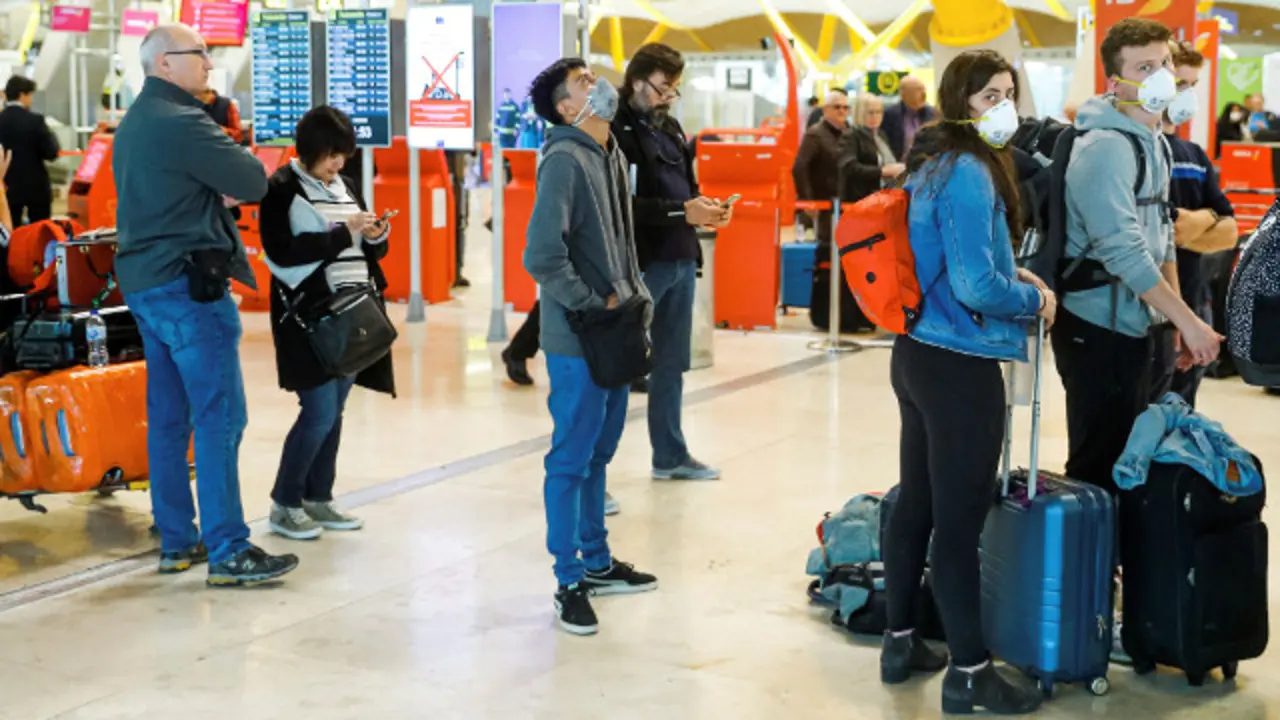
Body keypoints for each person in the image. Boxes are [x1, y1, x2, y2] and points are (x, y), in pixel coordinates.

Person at [881, 49, 1052, 716]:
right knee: (957, 525)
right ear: (960, 104)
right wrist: (1033, 301)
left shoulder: (930, 163)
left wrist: (1018, 280)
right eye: (988, 97)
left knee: (917, 502)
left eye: (1009, 93)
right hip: (959, 362)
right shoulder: (970, 173)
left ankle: (901, 642)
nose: (1003, 107)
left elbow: (956, 265)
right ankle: (971, 674)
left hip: (917, 351)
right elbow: (978, 284)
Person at [114, 23, 298, 586]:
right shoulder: (184, 122)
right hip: (189, 290)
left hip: (144, 285)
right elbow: (251, 179)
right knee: (220, 418)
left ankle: (177, 540)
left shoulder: (135, 122)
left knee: (169, 419)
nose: (210, 65)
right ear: (165, 62)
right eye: (201, 55)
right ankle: (229, 548)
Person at [1055, 18, 1221, 503]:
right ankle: (1089, 573)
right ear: (1115, 82)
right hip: (1095, 328)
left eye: (1164, 63)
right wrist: (1186, 322)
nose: (1161, 77)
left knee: (1133, 460)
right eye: (1144, 67)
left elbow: (1162, 236)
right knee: (1097, 464)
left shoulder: (1153, 139)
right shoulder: (1105, 147)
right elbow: (1122, 248)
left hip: (1136, 325)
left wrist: (1173, 323)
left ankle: (1118, 567)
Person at [523, 57, 660, 635]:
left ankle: (596, 559)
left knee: (600, 451)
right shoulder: (563, 159)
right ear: (566, 107)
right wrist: (590, 300)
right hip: (581, 334)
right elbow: (541, 255)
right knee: (571, 457)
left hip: (618, 325)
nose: (599, 84)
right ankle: (567, 577)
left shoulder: (609, 154)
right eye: (585, 82)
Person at [258, 105, 395, 540]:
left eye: (343, 156)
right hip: (310, 317)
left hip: (354, 312)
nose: (337, 165)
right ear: (310, 150)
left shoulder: (346, 186)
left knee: (333, 412)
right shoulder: (281, 188)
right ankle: (285, 503)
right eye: (331, 155)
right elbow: (282, 251)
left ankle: (319, 497)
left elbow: (366, 246)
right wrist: (344, 231)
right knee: (318, 411)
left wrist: (374, 234)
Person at [613, 43, 729, 482]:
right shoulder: (615, 132)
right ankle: (595, 471)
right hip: (642, 261)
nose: (668, 98)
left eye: (674, 90)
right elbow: (622, 204)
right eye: (663, 88)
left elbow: (687, 189)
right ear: (638, 81)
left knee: (670, 363)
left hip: (680, 256)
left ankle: (670, 455)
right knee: (618, 365)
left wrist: (706, 209)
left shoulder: (673, 127)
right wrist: (683, 212)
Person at [1150, 41, 1239, 407]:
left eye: (1192, 86)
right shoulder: (1143, 150)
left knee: (1183, 410)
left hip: (1195, 297)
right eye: (1180, 84)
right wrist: (1209, 224)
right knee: (1147, 407)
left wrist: (1200, 220)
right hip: (1156, 306)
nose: (1186, 94)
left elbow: (1229, 231)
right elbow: (1164, 232)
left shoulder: (1195, 156)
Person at [0, 76, 60, 226]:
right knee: (39, 230)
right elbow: (51, 152)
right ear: (22, 95)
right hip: (35, 186)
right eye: (30, 95)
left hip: (6, 186)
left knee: (10, 228)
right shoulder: (35, 120)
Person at [793, 89, 849, 244]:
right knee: (826, 249)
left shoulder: (850, 133)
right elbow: (800, 167)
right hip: (823, 204)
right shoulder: (815, 134)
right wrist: (807, 200)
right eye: (837, 107)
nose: (842, 111)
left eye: (845, 107)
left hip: (845, 204)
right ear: (825, 110)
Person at [839, 93, 906, 202]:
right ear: (860, 113)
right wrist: (883, 171)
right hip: (860, 199)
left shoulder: (880, 135)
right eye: (870, 113)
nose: (875, 116)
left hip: (883, 197)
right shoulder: (851, 136)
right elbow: (849, 168)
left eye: (878, 112)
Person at [881, 75, 938, 161]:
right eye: (918, 89)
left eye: (924, 89)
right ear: (903, 94)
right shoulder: (889, 115)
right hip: (898, 168)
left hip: (927, 167)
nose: (924, 94)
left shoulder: (933, 114)